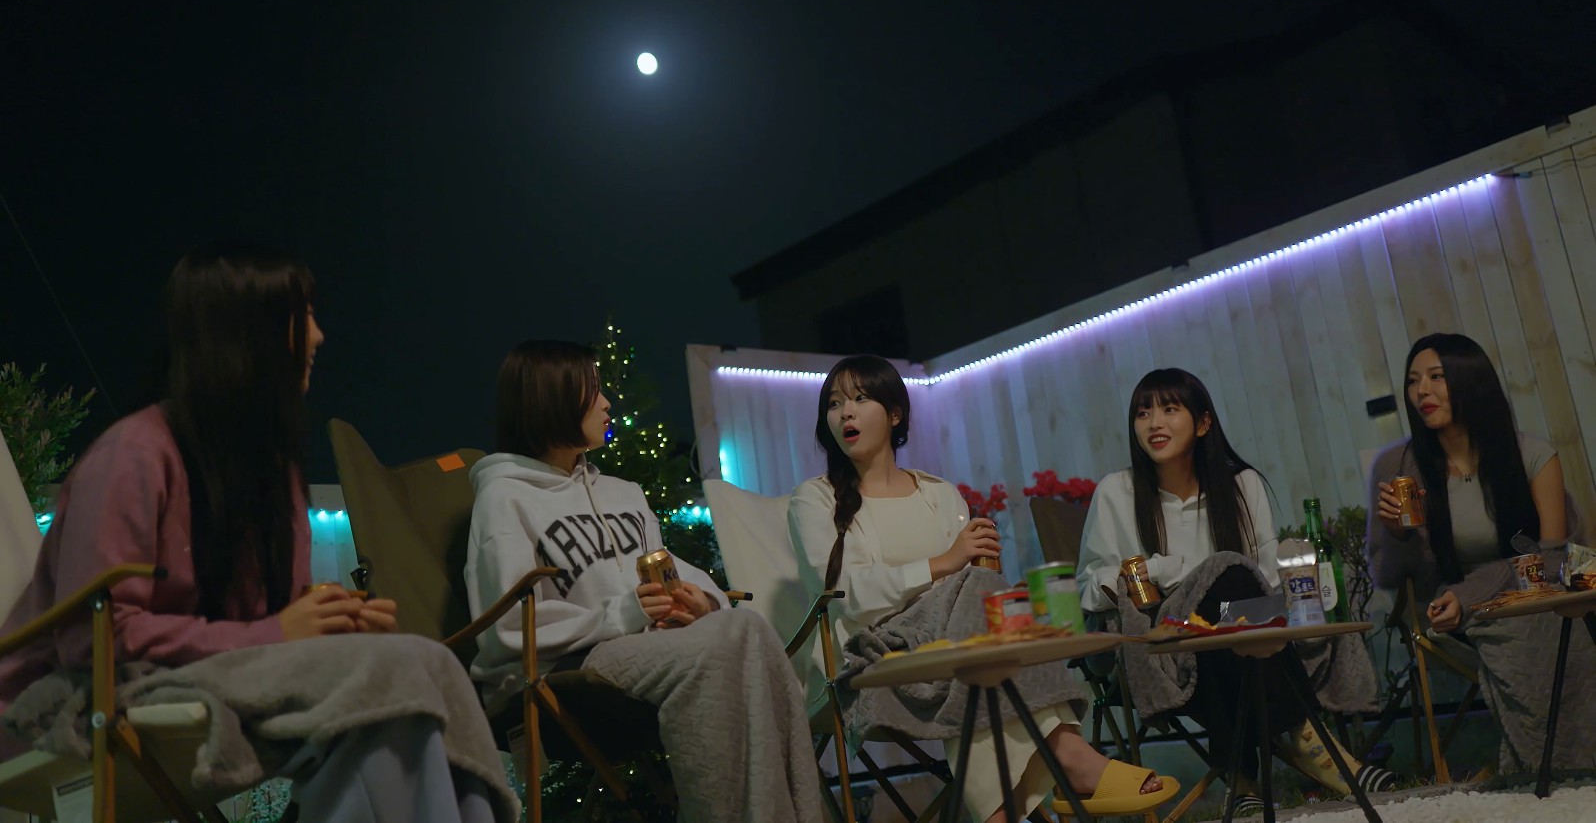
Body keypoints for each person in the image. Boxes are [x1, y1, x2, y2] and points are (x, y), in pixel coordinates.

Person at [0, 243, 514, 823]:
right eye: (302, 316)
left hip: (209, 675)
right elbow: (88, 638)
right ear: (245, 334)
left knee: (426, 660)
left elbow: (272, 620)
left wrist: (328, 620)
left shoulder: (272, 472)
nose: (318, 336)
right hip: (79, 700)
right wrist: (279, 631)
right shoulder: (133, 455)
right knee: (388, 677)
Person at [788, 355, 1177, 823]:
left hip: (958, 656)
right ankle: (1070, 755)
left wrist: (991, 587)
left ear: (895, 414)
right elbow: (843, 593)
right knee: (979, 607)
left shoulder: (939, 494)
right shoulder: (816, 499)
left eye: (859, 398)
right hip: (872, 659)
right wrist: (943, 563)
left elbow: (971, 585)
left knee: (987, 643)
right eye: (834, 404)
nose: (845, 412)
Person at [465, 339, 821, 823]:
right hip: (564, 668)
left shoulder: (624, 493)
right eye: (593, 390)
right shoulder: (504, 498)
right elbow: (505, 625)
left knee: (749, 627)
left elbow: (667, 565)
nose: (607, 403)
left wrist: (702, 601)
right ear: (552, 398)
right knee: (716, 652)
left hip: (646, 648)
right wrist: (622, 614)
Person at [1079, 368, 1389, 807]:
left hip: (1240, 633)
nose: (1154, 424)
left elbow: (1265, 579)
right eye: (1143, 413)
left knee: (1234, 583)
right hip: (1166, 645)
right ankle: (1311, 743)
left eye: (1170, 409)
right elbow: (1090, 588)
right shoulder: (1117, 492)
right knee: (1226, 572)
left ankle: (1242, 780)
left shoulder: (1242, 485)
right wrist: (1163, 570)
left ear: (1203, 422)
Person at [1368, 332, 1595, 773]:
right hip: (1452, 603)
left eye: (1436, 377)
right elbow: (1390, 576)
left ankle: (1564, 760)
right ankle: (1553, 765)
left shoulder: (1532, 454)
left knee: (1563, 620)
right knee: (1534, 631)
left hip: (1541, 586)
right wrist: (1397, 535)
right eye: (1413, 381)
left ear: (1470, 382)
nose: (1422, 391)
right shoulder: (1400, 466)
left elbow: (1552, 554)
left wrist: (1475, 592)